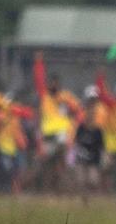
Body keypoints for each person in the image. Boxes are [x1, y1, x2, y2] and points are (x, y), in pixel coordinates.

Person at [32, 53, 81, 193]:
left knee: (61, 162)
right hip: (47, 135)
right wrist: (39, 63)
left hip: (62, 135)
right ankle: (46, 189)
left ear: (59, 84)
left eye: (55, 82)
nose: (53, 85)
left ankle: (62, 189)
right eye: (51, 82)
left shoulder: (65, 96)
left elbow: (78, 110)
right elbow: (38, 79)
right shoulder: (44, 96)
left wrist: (74, 123)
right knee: (45, 163)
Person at [73, 91, 107, 199]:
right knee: (80, 180)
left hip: (93, 159)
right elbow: (76, 142)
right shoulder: (81, 128)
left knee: (93, 181)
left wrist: (105, 157)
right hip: (82, 158)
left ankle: (93, 195)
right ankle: (84, 197)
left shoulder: (98, 131)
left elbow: (102, 146)